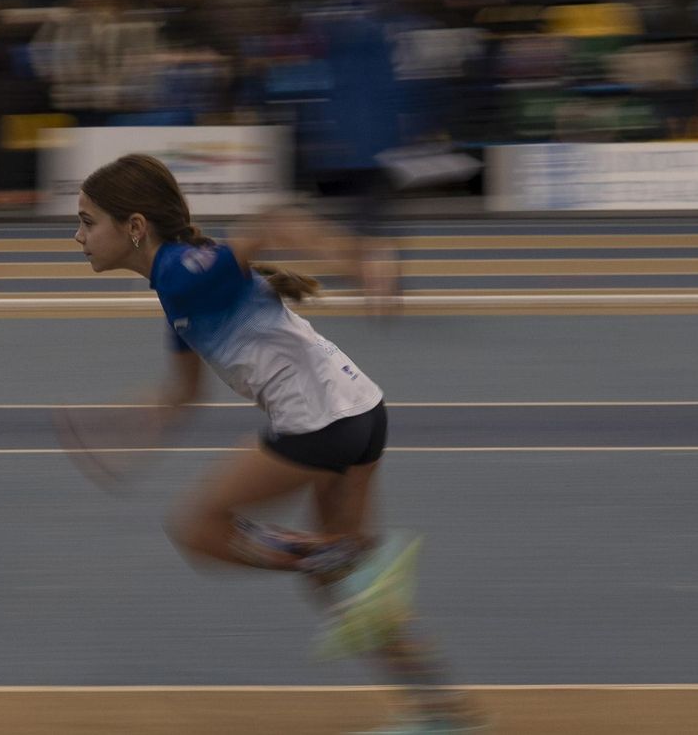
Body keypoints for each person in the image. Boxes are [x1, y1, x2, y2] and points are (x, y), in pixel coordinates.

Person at [73, 154, 482, 735]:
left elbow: (270, 221)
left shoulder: (184, 271)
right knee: (347, 585)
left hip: (321, 425)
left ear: (134, 226)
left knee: (200, 528)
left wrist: (357, 256)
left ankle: (342, 557)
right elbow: (183, 394)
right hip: (360, 410)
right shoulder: (179, 287)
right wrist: (118, 432)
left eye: (88, 222)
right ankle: (440, 713)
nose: (78, 236)